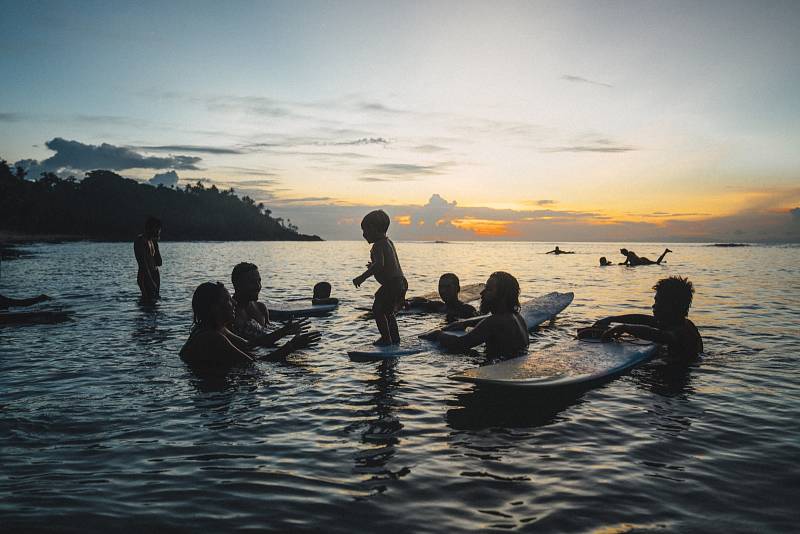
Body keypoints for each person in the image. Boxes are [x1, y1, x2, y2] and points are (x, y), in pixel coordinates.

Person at [179, 282, 320, 369]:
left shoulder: (219, 329)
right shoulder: (211, 337)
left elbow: (251, 345)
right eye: (228, 300)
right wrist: (291, 346)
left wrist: (285, 331)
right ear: (215, 307)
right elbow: (255, 363)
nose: (234, 303)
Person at [579, 276, 703, 360]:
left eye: (658, 302)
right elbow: (644, 319)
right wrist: (612, 319)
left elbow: (661, 336)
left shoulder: (682, 331)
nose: (653, 306)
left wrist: (625, 328)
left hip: (674, 381)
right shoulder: (677, 322)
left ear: (673, 305)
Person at [422, 271, 529, 359]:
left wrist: (438, 334)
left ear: (502, 297)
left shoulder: (494, 322)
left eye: (489, 289)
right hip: (512, 366)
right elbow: (491, 320)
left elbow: (460, 344)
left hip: (499, 374)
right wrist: (465, 323)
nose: (482, 293)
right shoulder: (517, 317)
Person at [229, 262, 317, 347]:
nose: (258, 286)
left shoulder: (261, 308)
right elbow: (247, 345)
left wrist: (288, 331)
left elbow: (268, 334)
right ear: (237, 284)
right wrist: (284, 333)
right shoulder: (229, 312)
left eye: (259, 281)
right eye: (252, 282)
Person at [352, 210, 407, 346]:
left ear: (373, 229)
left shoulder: (378, 246)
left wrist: (362, 277)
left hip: (392, 284)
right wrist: (374, 265)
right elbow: (385, 265)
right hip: (401, 282)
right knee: (388, 312)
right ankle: (394, 338)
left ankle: (386, 339)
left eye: (365, 230)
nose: (364, 234)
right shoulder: (388, 243)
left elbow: (379, 266)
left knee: (377, 309)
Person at [405, 273, 478, 321]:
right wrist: (407, 302)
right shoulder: (439, 306)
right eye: (441, 287)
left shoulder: (467, 310)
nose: (443, 291)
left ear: (458, 289)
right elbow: (421, 301)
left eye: (448, 287)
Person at [134, 216, 162, 301]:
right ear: (150, 228)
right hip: (146, 278)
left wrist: (156, 244)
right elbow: (143, 264)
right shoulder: (140, 241)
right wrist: (150, 282)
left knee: (155, 306)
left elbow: (159, 262)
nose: (159, 231)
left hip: (154, 276)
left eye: (159, 229)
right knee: (147, 305)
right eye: (156, 228)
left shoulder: (152, 241)